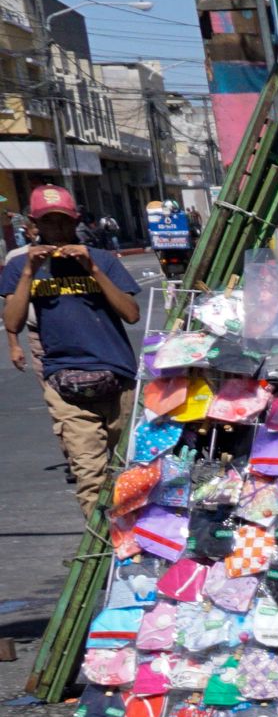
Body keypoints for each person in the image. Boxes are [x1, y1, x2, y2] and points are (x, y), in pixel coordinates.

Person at [1, 184, 143, 520]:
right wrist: (28, 274)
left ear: (75, 222)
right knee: (90, 475)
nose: (58, 231)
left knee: (130, 468)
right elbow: (14, 321)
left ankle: (132, 548)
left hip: (118, 376)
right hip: (64, 380)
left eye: (64, 222)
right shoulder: (21, 267)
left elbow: (132, 313)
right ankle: (100, 552)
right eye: (49, 224)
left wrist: (91, 268)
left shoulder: (104, 261)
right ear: (35, 227)